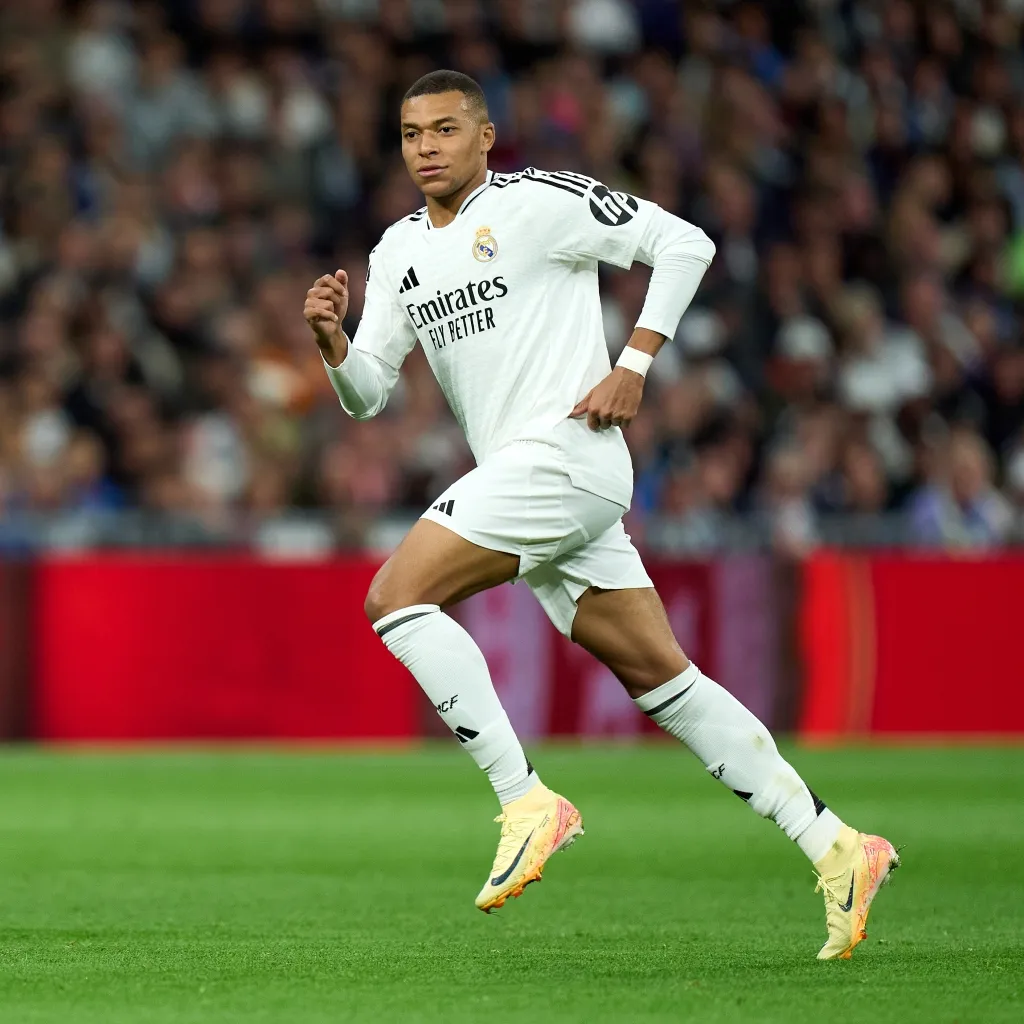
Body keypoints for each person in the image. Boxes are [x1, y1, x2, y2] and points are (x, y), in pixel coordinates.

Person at [302, 70, 898, 959]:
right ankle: (839, 847)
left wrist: (635, 364)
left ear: (485, 136)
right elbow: (369, 395)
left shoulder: (540, 203)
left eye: (445, 129)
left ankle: (525, 800)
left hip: (567, 453)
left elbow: (684, 243)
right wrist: (334, 346)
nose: (426, 147)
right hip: (528, 480)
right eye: (411, 133)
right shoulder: (396, 253)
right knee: (666, 681)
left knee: (395, 598)